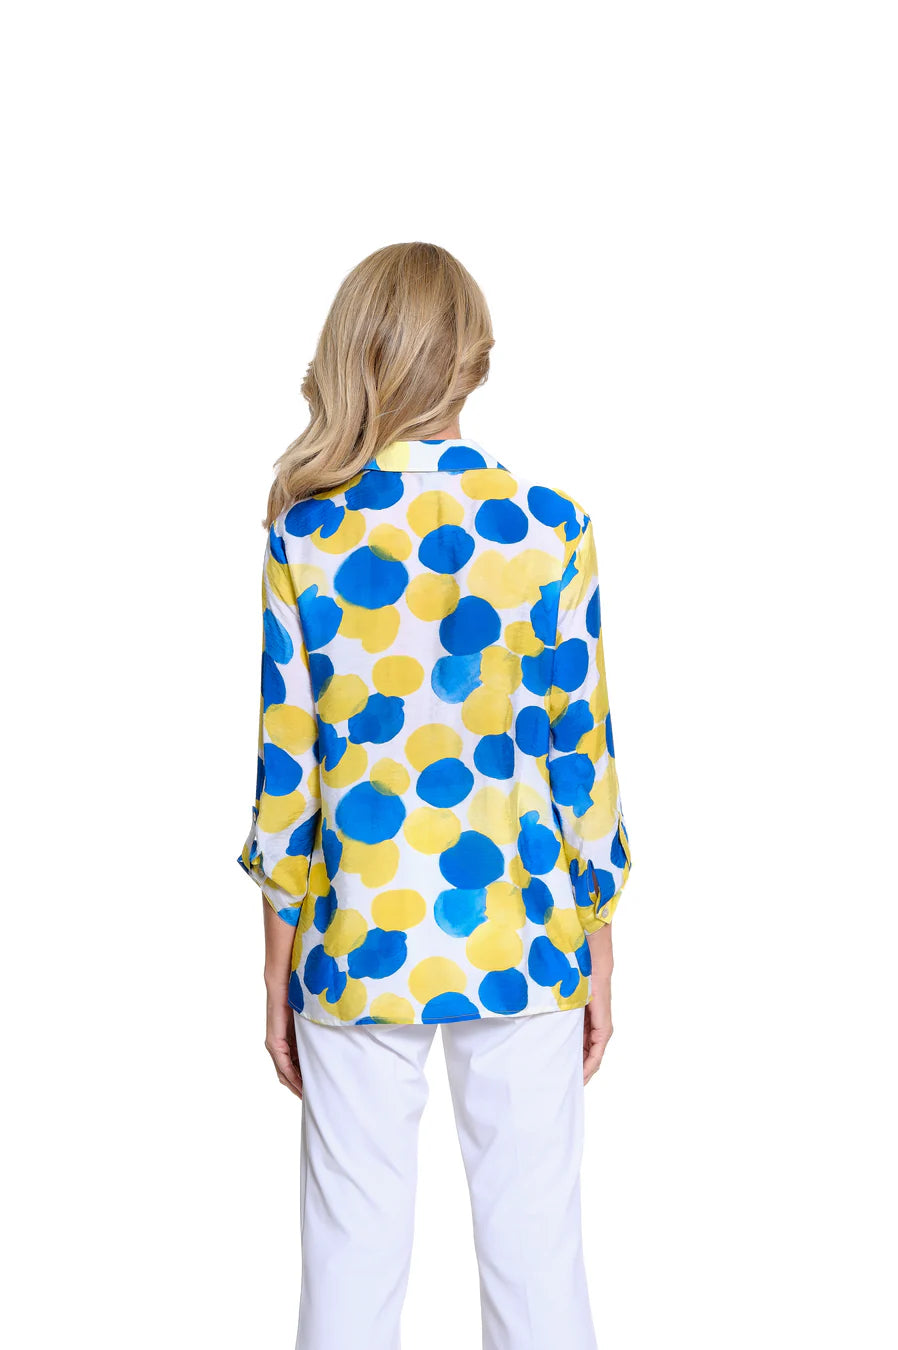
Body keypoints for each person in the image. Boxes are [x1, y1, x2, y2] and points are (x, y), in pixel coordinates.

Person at [237, 241, 632, 1350]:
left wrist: (276, 965)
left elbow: (288, 777)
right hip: (525, 927)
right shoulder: (552, 528)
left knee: (349, 1264)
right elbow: (582, 757)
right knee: (537, 1257)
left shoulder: (305, 537)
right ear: (477, 361)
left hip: (356, 933)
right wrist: (599, 935)